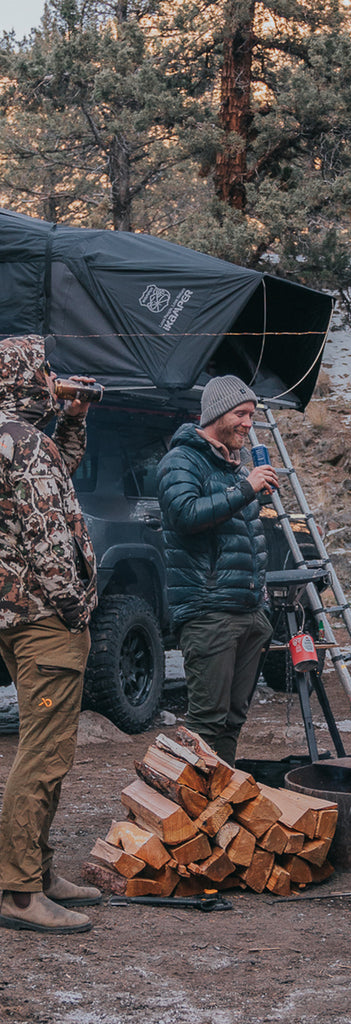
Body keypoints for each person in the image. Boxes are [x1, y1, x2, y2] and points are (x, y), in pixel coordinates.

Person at [0, 334, 100, 935]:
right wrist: (76, 607)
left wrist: (72, 420)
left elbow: (55, 477)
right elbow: (50, 536)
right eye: (44, 373)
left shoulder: (16, 441)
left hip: (14, 614)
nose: (52, 380)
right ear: (23, 381)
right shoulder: (24, 443)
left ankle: (35, 870)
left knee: (44, 749)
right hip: (44, 619)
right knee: (45, 753)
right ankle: (17, 891)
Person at [157, 375, 279, 766]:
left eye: (251, 415)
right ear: (216, 415)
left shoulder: (232, 469)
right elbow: (185, 515)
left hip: (246, 612)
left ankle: (219, 806)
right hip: (209, 613)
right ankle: (191, 814)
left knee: (232, 721)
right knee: (206, 725)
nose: (248, 423)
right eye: (241, 414)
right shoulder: (181, 460)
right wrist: (246, 490)